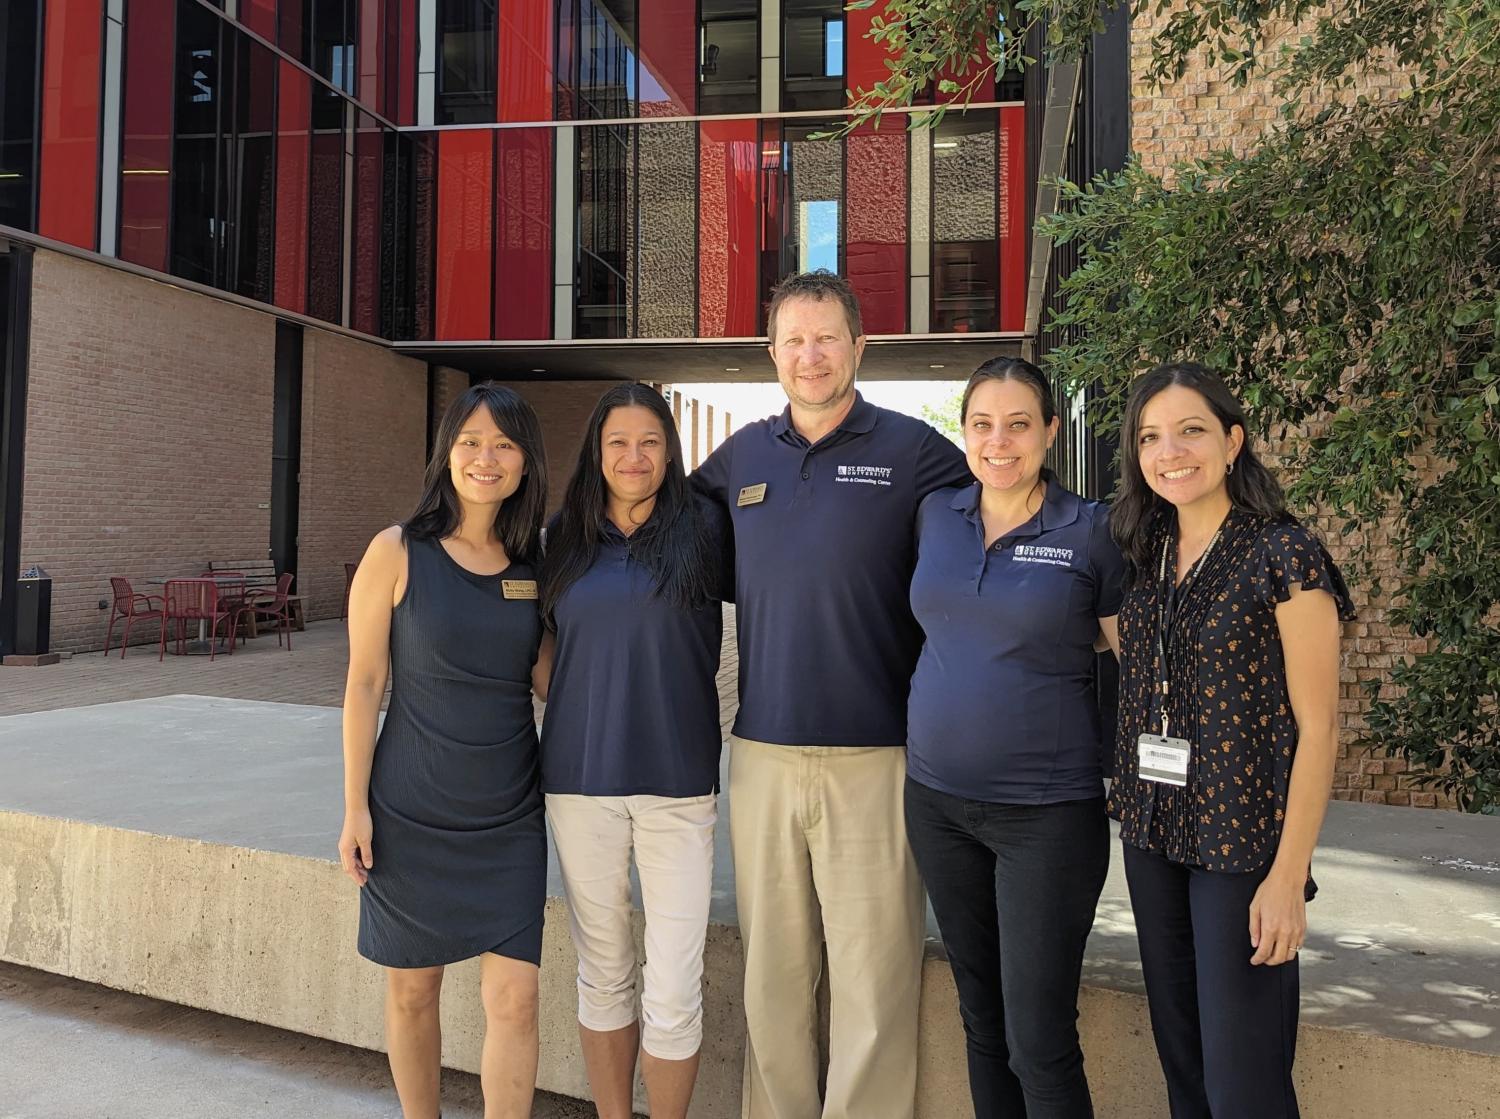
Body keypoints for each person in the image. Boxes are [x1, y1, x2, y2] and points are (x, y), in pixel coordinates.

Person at [692, 270, 971, 1119]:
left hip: (879, 756)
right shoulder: (739, 457)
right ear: (770, 352)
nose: (809, 356)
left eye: (826, 337)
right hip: (764, 752)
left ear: (860, 346)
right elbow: (652, 527)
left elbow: (997, 536)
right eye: (793, 340)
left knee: (874, 976)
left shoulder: (920, 453)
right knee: (773, 972)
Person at [1108, 362, 1354, 1119]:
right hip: (1152, 833)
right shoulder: (1143, 552)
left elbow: (1320, 726)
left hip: (1242, 848)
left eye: (1191, 430)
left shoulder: (1283, 552)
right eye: (1151, 436)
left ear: (1233, 440)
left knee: (1243, 1083)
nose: (1170, 451)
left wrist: (1288, 876)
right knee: (1182, 1064)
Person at [903, 357, 1124, 1118]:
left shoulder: (1090, 530)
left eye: (1019, 423)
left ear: (1051, 432)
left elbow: (1131, 657)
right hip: (936, 803)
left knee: (1038, 1037)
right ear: (963, 432)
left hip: (1047, 816)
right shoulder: (938, 514)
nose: (1000, 441)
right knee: (982, 1019)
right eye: (982, 424)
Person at [338, 382, 549, 1119]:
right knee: (411, 988)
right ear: (446, 454)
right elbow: (364, 684)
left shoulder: (533, 567)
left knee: (517, 999)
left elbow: (559, 678)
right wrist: (354, 807)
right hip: (410, 808)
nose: (485, 458)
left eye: (503, 444)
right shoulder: (397, 551)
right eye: (470, 441)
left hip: (510, 817)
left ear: (526, 463)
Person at [537, 383, 727, 1119]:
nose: (633, 455)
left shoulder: (704, 529)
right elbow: (539, 639)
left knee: (675, 984)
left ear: (670, 449)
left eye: (649, 440)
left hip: (679, 781)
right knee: (604, 969)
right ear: (596, 451)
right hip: (580, 777)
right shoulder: (564, 537)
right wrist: (579, 692)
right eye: (618, 441)